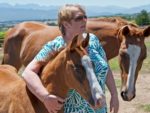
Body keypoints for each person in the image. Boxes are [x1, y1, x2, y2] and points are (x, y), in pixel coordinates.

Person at [22, 4, 119, 113]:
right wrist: (45, 97)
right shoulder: (55, 47)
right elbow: (28, 72)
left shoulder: (92, 40)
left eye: (85, 17)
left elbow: (106, 68)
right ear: (66, 24)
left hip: (100, 109)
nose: (84, 20)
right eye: (79, 18)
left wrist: (114, 95)